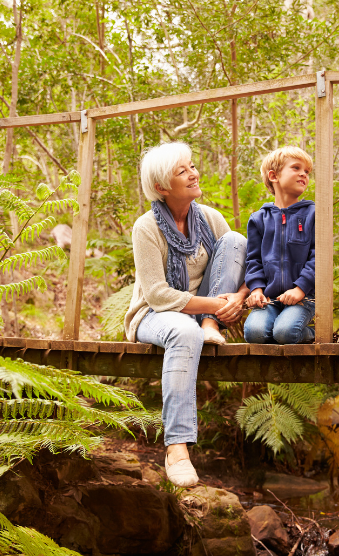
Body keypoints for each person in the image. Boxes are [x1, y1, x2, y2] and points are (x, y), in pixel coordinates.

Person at [125, 141, 250, 487]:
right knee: (184, 331)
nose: (194, 173)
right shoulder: (146, 227)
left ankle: (209, 326)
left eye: (192, 166)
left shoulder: (210, 218)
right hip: (156, 314)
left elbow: (243, 266)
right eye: (183, 171)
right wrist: (215, 304)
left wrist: (238, 298)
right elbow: (158, 294)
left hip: (205, 315)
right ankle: (177, 448)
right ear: (163, 186)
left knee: (236, 240)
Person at [244, 146, 316, 344]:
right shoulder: (259, 219)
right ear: (274, 176)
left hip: (304, 297)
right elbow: (253, 259)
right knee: (254, 333)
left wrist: (300, 288)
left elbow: (318, 256)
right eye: (296, 168)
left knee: (285, 333)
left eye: (307, 171)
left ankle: (314, 335)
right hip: (270, 299)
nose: (303, 173)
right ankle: (280, 330)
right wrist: (256, 290)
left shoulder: (313, 214)